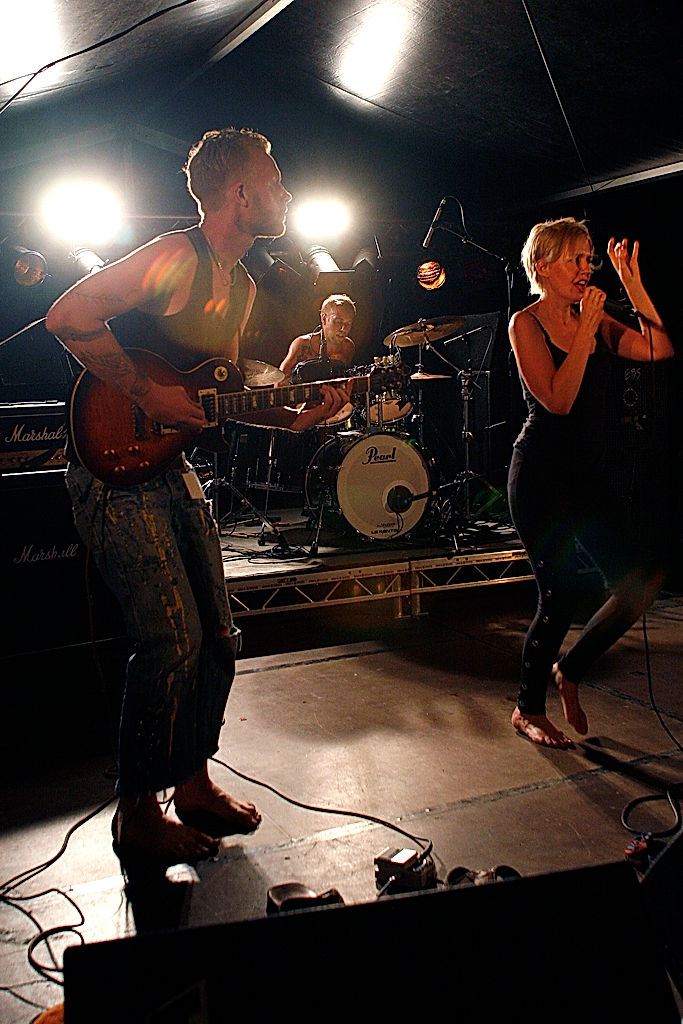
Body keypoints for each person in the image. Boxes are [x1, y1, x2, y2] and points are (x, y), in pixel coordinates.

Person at [45, 128, 351, 863]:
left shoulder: (241, 285)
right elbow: (66, 317)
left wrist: (293, 415)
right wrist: (145, 389)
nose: (285, 195)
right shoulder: (173, 257)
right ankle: (136, 813)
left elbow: (217, 396)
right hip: (113, 467)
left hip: (168, 467)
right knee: (168, 641)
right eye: (276, 183)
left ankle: (191, 782)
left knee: (216, 634)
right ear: (240, 192)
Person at [507, 216, 674, 748]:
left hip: (589, 477)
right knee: (560, 595)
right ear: (543, 266)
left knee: (641, 582)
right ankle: (527, 710)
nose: (586, 268)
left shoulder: (596, 319)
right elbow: (558, 400)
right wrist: (584, 329)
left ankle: (570, 669)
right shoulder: (525, 325)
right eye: (576, 259)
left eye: (590, 259)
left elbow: (659, 349)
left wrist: (634, 288)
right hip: (540, 478)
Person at [279, 293, 356, 379]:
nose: (343, 328)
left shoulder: (348, 347)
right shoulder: (302, 345)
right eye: (338, 321)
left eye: (348, 323)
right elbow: (280, 383)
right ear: (324, 318)